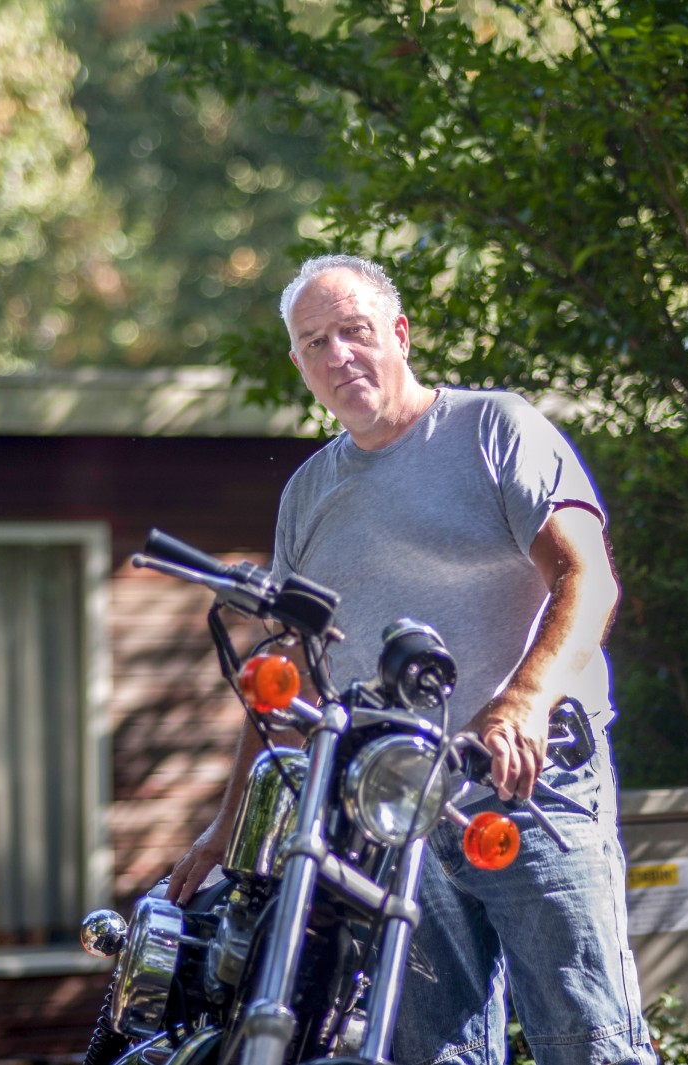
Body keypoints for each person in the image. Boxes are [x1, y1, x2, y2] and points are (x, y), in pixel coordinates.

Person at [167, 254, 658, 1065]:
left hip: (530, 789)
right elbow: (286, 671)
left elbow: (589, 577)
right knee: (431, 1056)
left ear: (399, 333)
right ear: (300, 365)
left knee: (589, 1042)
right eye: (315, 342)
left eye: (353, 331)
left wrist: (525, 698)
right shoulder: (308, 493)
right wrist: (229, 828)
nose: (338, 355)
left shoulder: (494, 428)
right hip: (400, 812)